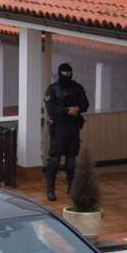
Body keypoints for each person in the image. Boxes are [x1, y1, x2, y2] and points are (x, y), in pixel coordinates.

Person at [44, 63, 89, 201]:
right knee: (55, 160)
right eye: (65, 75)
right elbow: (50, 108)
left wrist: (77, 109)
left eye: (70, 74)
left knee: (70, 161)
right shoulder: (52, 89)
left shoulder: (77, 87)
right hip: (58, 128)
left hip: (73, 128)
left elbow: (85, 104)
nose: (67, 77)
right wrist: (66, 111)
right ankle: (50, 189)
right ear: (59, 74)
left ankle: (72, 187)